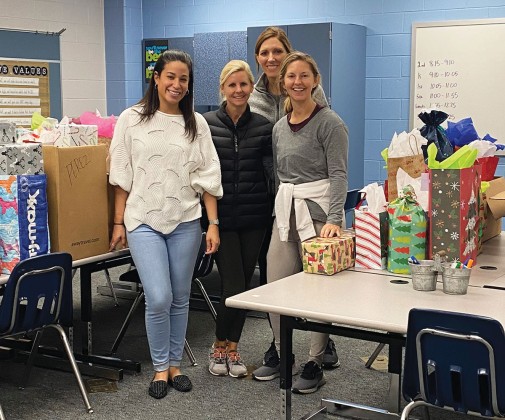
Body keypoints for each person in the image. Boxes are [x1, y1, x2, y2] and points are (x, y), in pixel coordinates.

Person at [108, 49, 223, 399]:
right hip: (143, 220)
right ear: (156, 78)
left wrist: (213, 223)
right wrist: (117, 223)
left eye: (183, 79)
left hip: (186, 220)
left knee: (179, 297)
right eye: (170, 76)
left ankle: (175, 365)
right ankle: (160, 366)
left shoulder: (196, 124)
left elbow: (208, 176)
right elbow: (121, 176)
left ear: (189, 85)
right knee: (158, 297)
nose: (176, 84)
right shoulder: (131, 119)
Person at [252, 51, 348, 394]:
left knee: (318, 294)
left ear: (315, 81)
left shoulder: (330, 123)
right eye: (291, 77)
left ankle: (314, 360)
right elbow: (281, 177)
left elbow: (338, 176)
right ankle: (283, 352)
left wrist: (334, 219)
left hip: (319, 219)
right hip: (286, 217)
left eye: (304, 76)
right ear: (283, 83)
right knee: (274, 284)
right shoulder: (279, 127)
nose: (297, 82)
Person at [203, 60, 273, 378]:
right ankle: (218, 345)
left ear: (250, 88)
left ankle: (233, 348)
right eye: (232, 85)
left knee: (244, 287)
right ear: (222, 88)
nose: (239, 90)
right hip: (221, 220)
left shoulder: (263, 126)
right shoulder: (205, 124)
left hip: (255, 217)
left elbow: (271, 173)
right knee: (231, 284)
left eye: (244, 84)